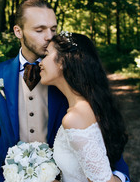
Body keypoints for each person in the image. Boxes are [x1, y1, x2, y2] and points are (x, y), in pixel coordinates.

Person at [0, 0, 130, 182]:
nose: (49, 36)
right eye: (39, 30)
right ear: (18, 31)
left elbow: (100, 133)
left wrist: (120, 175)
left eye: (53, 29)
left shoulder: (67, 77)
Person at [39, 31, 129, 182]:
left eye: (47, 54)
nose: (41, 62)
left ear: (62, 61)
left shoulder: (75, 117)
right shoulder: (88, 106)